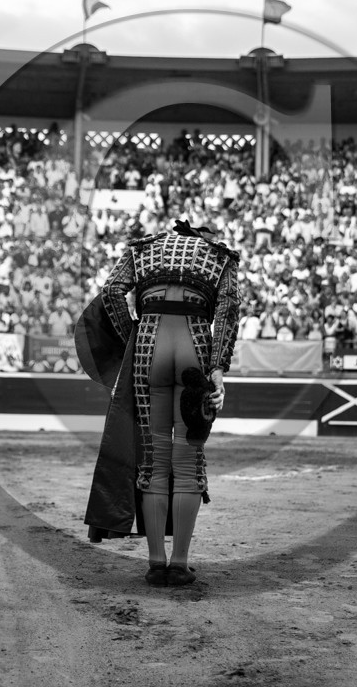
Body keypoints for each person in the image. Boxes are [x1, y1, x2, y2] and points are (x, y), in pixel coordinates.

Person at [83, 218, 241, 588]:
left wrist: (133, 338)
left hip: (149, 343)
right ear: (200, 236)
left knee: (153, 456)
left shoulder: (143, 248)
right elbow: (228, 311)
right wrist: (218, 367)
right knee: (187, 459)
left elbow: (111, 293)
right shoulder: (220, 255)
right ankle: (180, 564)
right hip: (196, 346)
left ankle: (156, 563)